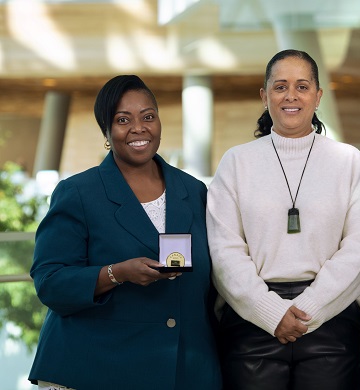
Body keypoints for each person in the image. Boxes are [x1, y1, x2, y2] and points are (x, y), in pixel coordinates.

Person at [28, 75, 222, 390]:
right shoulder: (78, 192)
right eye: (123, 120)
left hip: (185, 370)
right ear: (106, 132)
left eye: (148, 116)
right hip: (98, 368)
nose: (139, 127)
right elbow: (50, 282)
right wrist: (117, 273)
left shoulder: (194, 191)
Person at [206, 49, 360, 390]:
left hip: (331, 319)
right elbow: (223, 249)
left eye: (302, 86)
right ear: (264, 95)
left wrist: (310, 307)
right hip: (250, 321)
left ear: (317, 96)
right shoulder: (236, 162)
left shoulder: (348, 161)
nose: (291, 95)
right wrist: (270, 312)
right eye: (280, 86)